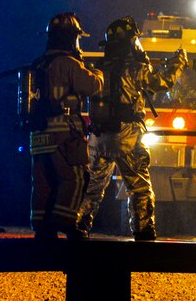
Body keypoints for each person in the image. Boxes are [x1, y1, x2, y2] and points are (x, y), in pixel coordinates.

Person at [76, 16, 187, 241]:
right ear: (130, 42)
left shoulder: (98, 68)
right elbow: (161, 82)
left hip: (98, 137)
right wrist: (179, 62)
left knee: (93, 187)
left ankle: (78, 227)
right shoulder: (135, 69)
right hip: (127, 135)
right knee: (138, 186)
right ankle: (143, 232)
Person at [29, 12, 103, 240]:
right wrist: (98, 73)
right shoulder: (69, 64)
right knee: (76, 177)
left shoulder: (38, 64)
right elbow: (92, 87)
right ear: (72, 38)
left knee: (43, 180)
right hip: (64, 133)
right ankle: (65, 222)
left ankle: (41, 225)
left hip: (38, 132)